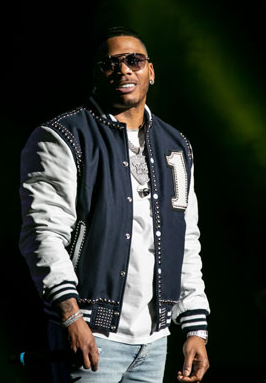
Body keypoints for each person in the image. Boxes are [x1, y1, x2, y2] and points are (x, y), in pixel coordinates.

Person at [19, 26, 210, 382]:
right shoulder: (63, 137)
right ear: (96, 75)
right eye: (110, 64)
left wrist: (195, 326)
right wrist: (71, 316)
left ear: (150, 71)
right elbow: (43, 234)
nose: (123, 69)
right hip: (91, 334)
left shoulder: (175, 146)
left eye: (134, 61)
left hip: (155, 340)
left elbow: (185, 239)